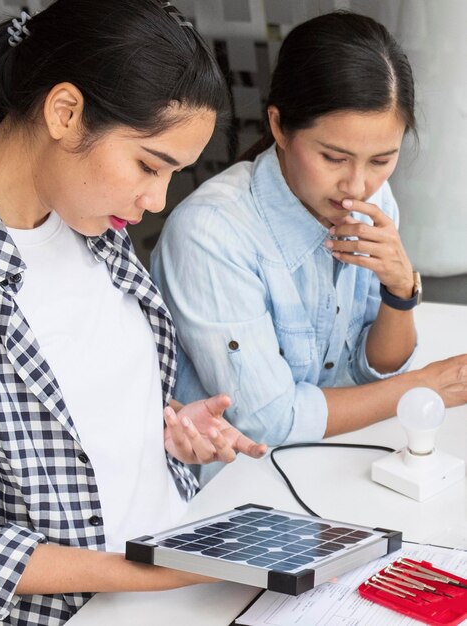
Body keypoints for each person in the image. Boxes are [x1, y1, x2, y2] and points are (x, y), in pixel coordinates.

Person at [0, 2, 267, 624]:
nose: (156, 200)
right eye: (150, 165)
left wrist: (160, 424)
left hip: (188, 587)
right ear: (65, 113)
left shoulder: (89, 216)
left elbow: (66, 407)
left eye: (173, 173)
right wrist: (160, 573)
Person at [151, 10, 467, 482]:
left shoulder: (374, 201)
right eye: (334, 157)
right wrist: (423, 387)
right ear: (279, 126)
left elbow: (367, 372)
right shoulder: (211, 233)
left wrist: (400, 290)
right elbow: (269, 420)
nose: (358, 185)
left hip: (329, 465)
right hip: (236, 490)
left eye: (383, 159)